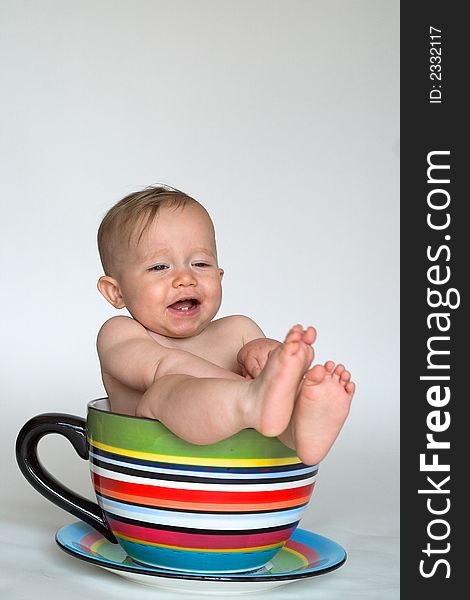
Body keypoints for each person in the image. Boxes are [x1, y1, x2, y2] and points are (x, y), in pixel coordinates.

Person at [96, 185, 355, 465]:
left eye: (200, 264)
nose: (185, 278)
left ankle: (301, 430)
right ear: (116, 291)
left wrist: (269, 358)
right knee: (162, 392)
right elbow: (165, 366)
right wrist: (250, 390)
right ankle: (252, 404)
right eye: (160, 267)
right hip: (154, 467)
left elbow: (272, 395)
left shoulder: (238, 331)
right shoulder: (119, 333)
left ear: (219, 275)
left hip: (241, 471)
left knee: (272, 395)